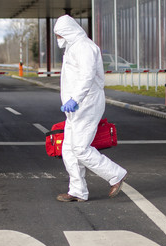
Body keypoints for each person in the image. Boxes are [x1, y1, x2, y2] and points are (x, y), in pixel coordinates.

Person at [53, 15, 127, 202]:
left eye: (59, 35)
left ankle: (115, 174)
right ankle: (77, 190)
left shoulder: (85, 47)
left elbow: (87, 76)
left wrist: (75, 99)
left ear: (68, 31)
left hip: (87, 104)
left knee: (80, 148)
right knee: (68, 150)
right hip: (75, 108)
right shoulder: (72, 48)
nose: (58, 39)